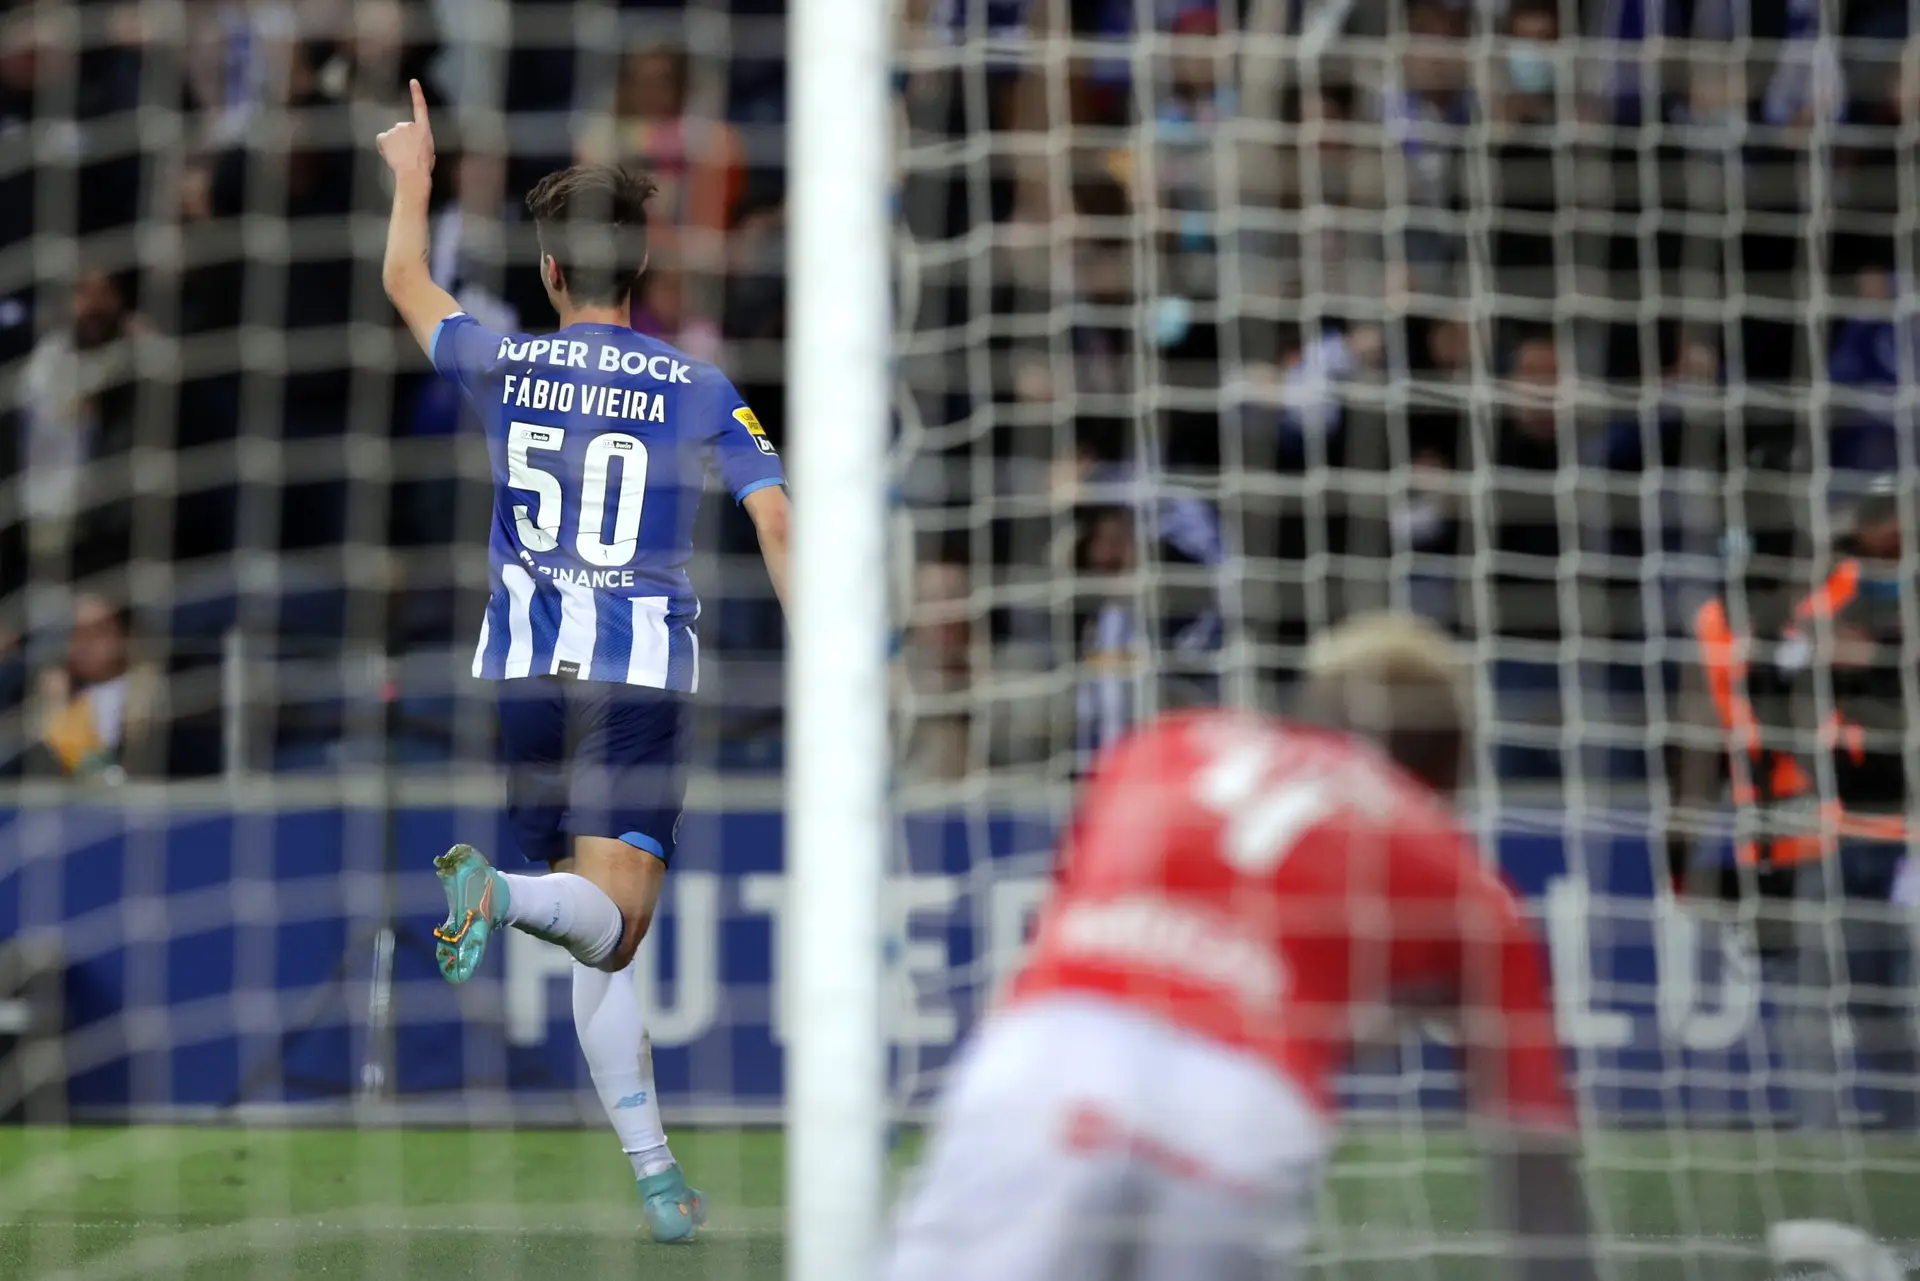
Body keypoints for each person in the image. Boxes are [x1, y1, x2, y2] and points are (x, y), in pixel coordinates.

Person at [374, 81, 790, 1241]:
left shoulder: (503, 364)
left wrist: (414, 181)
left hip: (522, 679)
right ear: (644, 272)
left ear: (550, 273)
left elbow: (407, 282)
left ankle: (658, 1181)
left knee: (591, 935)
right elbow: (776, 519)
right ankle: (494, 895)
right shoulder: (703, 388)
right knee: (613, 923)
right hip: (637, 678)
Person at [883, 612, 1594, 1281]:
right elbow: (1530, 1141)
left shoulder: (1162, 746)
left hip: (1058, 1052)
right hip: (1242, 1102)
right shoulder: (1463, 875)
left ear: (1309, 708)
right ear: (1450, 766)